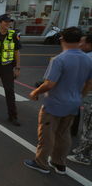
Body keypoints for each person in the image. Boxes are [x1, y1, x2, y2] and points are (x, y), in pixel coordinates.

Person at [25, 27, 92, 174]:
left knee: (47, 134)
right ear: (80, 40)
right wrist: (79, 96)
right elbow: (89, 83)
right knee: (64, 134)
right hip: (74, 103)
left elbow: (50, 84)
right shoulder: (87, 59)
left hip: (55, 103)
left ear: (62, 39)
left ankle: (41, 163)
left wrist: (35, 92)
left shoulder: (59, 59)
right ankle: (59, 163)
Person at [68, 34, 92, 165]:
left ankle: (83, 156)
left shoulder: (87, 58)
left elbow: (87, 81)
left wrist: (81, 94)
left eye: (82, 42)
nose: (80, 44)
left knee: (88, 128)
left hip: (89, 97)